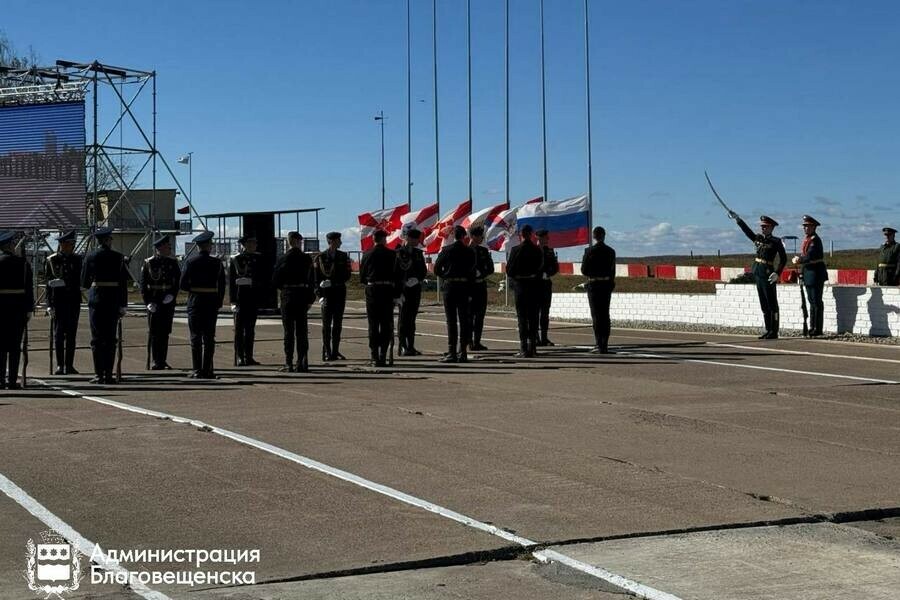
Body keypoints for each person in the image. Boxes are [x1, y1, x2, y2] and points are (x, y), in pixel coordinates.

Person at [80, 227, 129, 384]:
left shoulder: (90, 256)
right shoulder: (118, 257)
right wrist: (123, 304)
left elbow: (85, 283)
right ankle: (108, 373)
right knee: (110, 338)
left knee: (96, 338)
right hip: (113, 299)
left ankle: (98, 373)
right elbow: (123, 283)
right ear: (108, 240)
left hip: (96, 299)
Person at [731, 212, 787, 339]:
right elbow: (748, 232)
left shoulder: (776, 241)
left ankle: (774, 330)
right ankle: (768, 329)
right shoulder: (759, 239)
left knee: (772, 303)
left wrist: (777, 273)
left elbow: (783, 259)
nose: (763, 228)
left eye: (765, 226)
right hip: (758, 272)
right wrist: (738, 220)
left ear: (772, 228)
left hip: (768, 273)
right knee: (764, 303)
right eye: (762, 226)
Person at [180, 231, 226, 378]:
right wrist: (218, 301)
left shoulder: (191, 262)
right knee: (209, 337)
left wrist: (194, 290)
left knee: (195, 337)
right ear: (208, 246)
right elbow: (222, 285)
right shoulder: (217, 263)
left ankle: (197, 369)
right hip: (211, 302)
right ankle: (208, 369)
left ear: (198, 246)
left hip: (195, 301)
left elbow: (183, 284)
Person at [272, 231, 315, 372]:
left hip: (288, 295)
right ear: (299, 241)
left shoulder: (282, 259)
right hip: (302, 296)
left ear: (289, 241)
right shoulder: (306, 259)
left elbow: (276, 280)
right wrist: (310, 299)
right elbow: (311, 281)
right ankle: (302, 362)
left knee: (288, 332)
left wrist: (284, 289)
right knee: (302, 331)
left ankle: (288, 362)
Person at [434, 225, 476, 363]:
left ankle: (452, 351)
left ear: (453, 236)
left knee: (451, 320)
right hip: (464, 286)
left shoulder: (447, 250)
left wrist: (446, 275)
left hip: (450, 286)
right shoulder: (469, 252)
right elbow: (472, 272)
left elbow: (437, 269)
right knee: (464, 320)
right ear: (464, 236)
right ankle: (462, 351)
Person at [359, 229, 400, 367]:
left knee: (373, 324)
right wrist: (397, 294)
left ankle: (374, 355)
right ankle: (383, 354)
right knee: (386, 324)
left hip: (372, 290)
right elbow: (397, 276)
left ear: (373, 239)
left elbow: (362, 277)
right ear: (384, 239)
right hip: (387, 291)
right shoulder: (392, 255)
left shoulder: (366, 255)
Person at [45, 230, 83, 374]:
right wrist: (49, 305)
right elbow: (48, 283)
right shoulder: (52, 260)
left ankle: (69, 365)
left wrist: (68, 283)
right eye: (66, 244)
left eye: (70, 244)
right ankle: (60, 365)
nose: (69, 246)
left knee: (71, 335)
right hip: (58, 301)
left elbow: (81, 279)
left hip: (73, 301)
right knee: (59, 335)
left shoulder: (77, 259)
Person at [140, 235, 180, 370]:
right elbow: (143, 284)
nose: (169, 248)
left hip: (167, 300)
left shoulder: (172, 263)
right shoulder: (149, 263)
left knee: (165, 332)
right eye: (167, 246)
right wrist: (148, 302)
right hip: (154, 300)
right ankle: (156, 360)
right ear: (160, 248)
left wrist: (172, 295)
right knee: (154, 332)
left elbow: (177, 282)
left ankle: (162, 360)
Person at [0, 231, 34, 389]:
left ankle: (0, 379)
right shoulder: (23, 264)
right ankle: (12, 380)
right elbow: (29, 289)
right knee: (15, 346)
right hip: (18, 309)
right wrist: (29, 309)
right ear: (11, 246)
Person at [506, 224, 544, 357]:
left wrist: (517, 276)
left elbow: (509, 270)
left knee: (522, 317)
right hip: (533, 285)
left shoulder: (516, 250)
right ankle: (532, 346)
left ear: (521, 234)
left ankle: (523, 347)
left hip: (521, 285)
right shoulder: (536, 250)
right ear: (531, 234)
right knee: (533, 317)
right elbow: (540, 268)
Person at [315, 232, 352, 361]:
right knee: (326, 325)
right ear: (331, 241)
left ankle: (335, 350)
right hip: (326, 295)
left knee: (337, 324)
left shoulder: (343, 256)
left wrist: (334, 282)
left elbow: (347, 275)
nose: (340, 242)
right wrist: (319, 295)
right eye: (338, 240)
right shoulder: (320, 257)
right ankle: (327, 350)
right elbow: (316, 279)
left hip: (339, 293)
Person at [229, 234, 265, 366]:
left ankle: (248, 356)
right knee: (239, 330)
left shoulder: (258, 259)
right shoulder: (236, 259)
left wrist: (253, 282)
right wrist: (232, 301)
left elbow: (263, 278)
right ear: (245, 245)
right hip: (240, 298)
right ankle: (239, 356)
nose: (254, 245)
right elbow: (232, 282)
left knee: (250, 329)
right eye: (251, 243)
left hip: (252, 297)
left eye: (255, 243)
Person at [580, 226, 616, 353]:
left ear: (594, 236)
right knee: (605, 315)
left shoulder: (589, 251)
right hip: (606, 284)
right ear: (604, 235)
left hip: (594, 284)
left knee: (596, 315)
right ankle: (604, 344)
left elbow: (584, 270)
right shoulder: (611, 251)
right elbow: (613, 271)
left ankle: (598, 343)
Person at [792, 215, 828, 336]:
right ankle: (812, 326)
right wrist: (801, 272)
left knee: (816, 301)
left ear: (813, 227)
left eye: (808, 226)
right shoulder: (807, 240)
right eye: (804, 226)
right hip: (808, 272)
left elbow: (810, 255)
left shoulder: (815, 240)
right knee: (811, 301)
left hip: (815, 273)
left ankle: (817, 328)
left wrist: (800, 259)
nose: (805, 228)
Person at [396, 227, 427, 356]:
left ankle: (411, 346)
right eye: (414, 239)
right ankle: (402, 345)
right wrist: (398, 290)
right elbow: (395, 272)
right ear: (407, 238)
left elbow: (423, 271)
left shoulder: (418, 253)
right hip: (403, 289)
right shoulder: (398, 252)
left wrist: (417, 279)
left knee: (412, 318)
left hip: (414, 289)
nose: (416, 242)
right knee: (403, 318)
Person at [467, 225, 494, 352]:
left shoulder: (483, 251)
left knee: (480, 316)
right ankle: (468, 341)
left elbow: (490, 268)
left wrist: (481, 273)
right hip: (469, 287)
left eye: (481, 236)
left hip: (480, 286)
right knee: (468, 316)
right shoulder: (465, 251)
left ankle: (477, 341)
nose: (481, 238)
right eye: (478, 236)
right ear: (472, 236)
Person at [535, 229, 560, 346]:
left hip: (546, 283)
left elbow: (555, 267)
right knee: (534, 312)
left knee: (545, 312)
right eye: (546, 237)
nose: (548, 239)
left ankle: (544, 337)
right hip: (535, 284)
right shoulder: (533, 250)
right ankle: (535, 337)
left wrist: (548, 272)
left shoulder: (549, 251)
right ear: (539, 238)